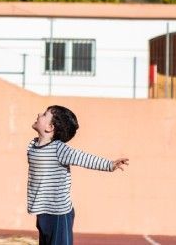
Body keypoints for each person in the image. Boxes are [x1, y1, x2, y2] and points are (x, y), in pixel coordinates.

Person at [27, 105, 128, 245]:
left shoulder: (59, 149)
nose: (39, 114)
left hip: (59, 214)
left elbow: (83, 158)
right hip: (42, 212)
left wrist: (109, 165)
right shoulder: (32, 146)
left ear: (50, 127)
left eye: (44, 114)